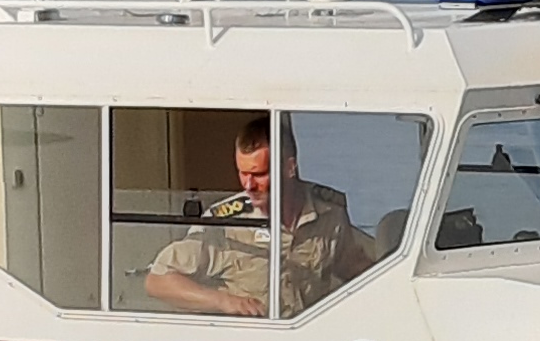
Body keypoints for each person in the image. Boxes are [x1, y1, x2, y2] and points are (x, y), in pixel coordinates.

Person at [143, 113, 378, 315]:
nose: (248, 185)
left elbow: (355, 269)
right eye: (242, 173)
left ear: (290, 168)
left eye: (259, 174)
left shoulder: (329, 213)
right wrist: (223, 302)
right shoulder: (226, 223)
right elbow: (158, 281)